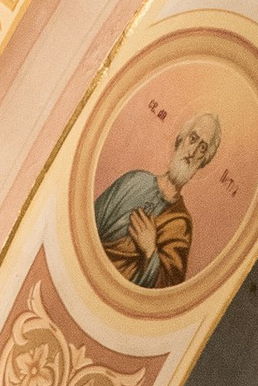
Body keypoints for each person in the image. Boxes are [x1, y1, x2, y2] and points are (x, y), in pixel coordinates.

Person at [94, 109, 220, 287]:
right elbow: (89, 222)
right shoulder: (134, 181)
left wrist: (149, 250)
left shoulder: (180, 224)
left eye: (202, 148)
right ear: (180, 140)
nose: (192, 151)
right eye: (192, 138)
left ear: (204, 160)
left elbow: (166, 290)